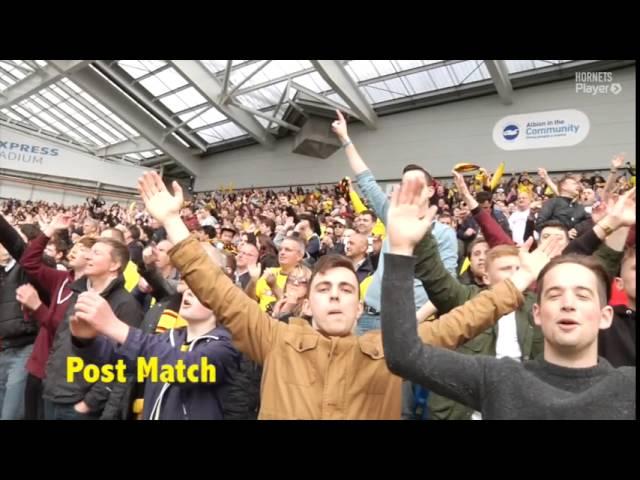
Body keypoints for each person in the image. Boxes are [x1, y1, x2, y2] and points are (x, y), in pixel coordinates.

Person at [134, 170, 532, 420]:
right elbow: (217, 289)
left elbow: (457, 325)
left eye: (346, 288)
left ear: (359, 306)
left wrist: (513, 287)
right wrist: (171, 220)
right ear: (309, 303)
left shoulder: (393, 351)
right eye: (324, 288)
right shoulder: (277, 338)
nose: (336, 296)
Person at [380, 178, 635, 420]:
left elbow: (604, 262)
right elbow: (404, 354)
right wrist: (401, 248)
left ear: (605, 316)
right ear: (537, 312)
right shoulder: (498, 379)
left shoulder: (628, 387)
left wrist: (616, 224)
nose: (568, 304)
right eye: (554, 294)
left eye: (582, 295)